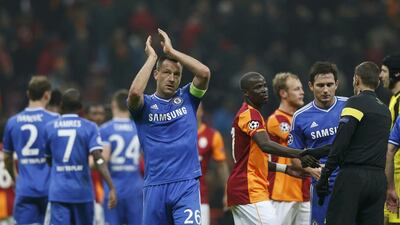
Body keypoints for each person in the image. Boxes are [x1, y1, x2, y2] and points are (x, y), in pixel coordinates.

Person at [127, 29, 211, 224]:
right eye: (166, 72)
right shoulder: (144, 105)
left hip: (186, 185)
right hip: (155, 185)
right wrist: (152, 59)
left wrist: (173, 53)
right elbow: (133, 94)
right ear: (156, 74)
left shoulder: (188, 98)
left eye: (177, 74)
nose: (172, 78)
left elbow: (204, 73)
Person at [226, 72, 320, 225]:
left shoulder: (253, 114)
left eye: (264, 86)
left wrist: (285, 169)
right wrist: (301, 153)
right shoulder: (250, 114)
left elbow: (256, 160)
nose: (264, 90)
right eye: (258, 87)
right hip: (249, 188)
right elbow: (266, 145)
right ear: (246, 93)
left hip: (245, 188)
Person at [310, 62, 390, 225]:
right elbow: (360, 144)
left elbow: (341, 143)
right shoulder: (385, 110)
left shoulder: (355, 103)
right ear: (378, 82)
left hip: (353, 178)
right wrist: (318, 151)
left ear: (357, 80)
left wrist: (325, 176)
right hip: (378, 181)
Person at [43, 89, 117, 224]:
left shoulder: (49, 127)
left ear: (61, 105)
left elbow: (48, 159)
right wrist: (111, 186)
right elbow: (98, 158)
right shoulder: (90, 127)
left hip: (59, 192)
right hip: (82, 193)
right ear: (81, 107)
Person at [288, 61, 347, 225]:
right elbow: (294, 155)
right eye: (320, 85)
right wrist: (311, 170)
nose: (326, 90)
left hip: (350, 180)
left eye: (329, 84)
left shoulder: (350, 106)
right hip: (322, 185)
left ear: (337, 84)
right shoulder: (300, 117)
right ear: (311, 86)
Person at [2, 76, 59, 225]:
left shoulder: (13, 122)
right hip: (50, 190)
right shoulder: (56, 120)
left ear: (28, 94)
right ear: (47, 95)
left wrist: (15, 178)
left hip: (25, 188)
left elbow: (7, 157)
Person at [266, 72, 311, 225]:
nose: (302, 92)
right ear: (283, 93)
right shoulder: (276, 120)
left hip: (304, 193)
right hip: (282, 193)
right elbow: (300, 147)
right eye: (297, 89)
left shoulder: (302, 119)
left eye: (302, 88)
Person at [99, 89, 143, 225]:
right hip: (135, 188)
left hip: (113, 188)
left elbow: (103, 159)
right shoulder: (139, 127)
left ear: (113, 105)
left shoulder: (105, 129)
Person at [196, 103, 229, 225]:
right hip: (175, 196)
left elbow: (221, 166)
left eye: (196, 108)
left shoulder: (212, 135)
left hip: (200, 198)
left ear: (202, 111)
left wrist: (227, 192)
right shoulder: (175, 134)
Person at [379, 53, 400, 225]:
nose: (381, 75)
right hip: (392, 173)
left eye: (384, 71)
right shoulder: (394, 99)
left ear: (396, 74)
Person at [87, 104, 107, 225]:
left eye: (101, 114)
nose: (98, 117)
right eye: (94, 114)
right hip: (89, 184)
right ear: (88, 115)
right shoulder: (84, 132)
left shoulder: (108, 132)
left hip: (104, 183)